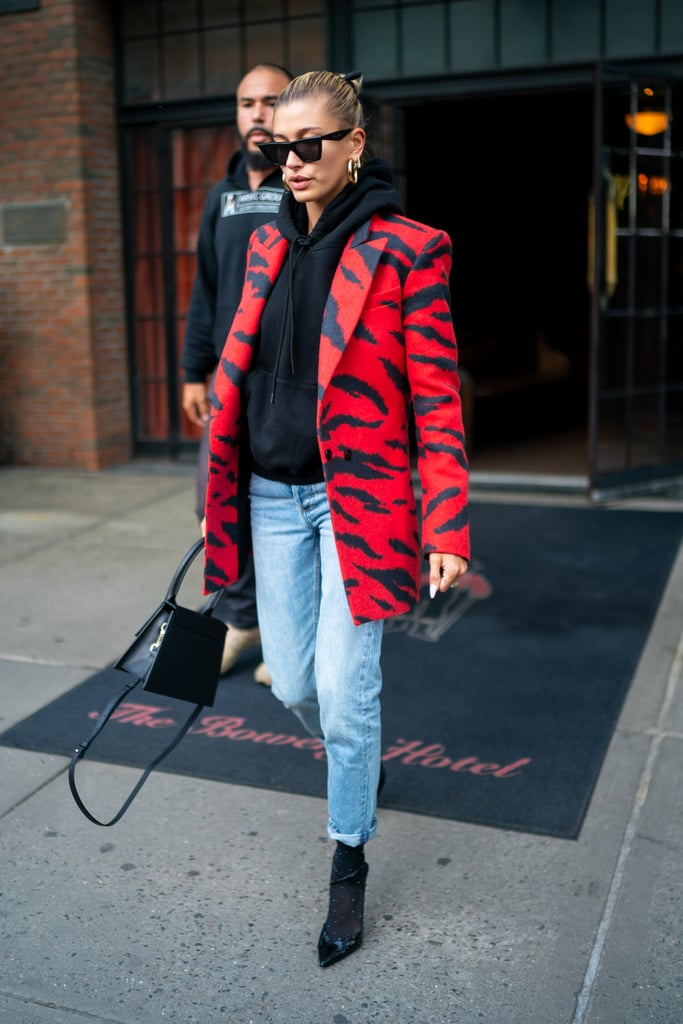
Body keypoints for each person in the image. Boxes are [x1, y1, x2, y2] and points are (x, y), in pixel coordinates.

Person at [201, 70, 470, 967]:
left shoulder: (408, 249)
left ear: (354, 144)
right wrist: (218, 494)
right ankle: (360, 759)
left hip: (359, 504)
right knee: (289, 686)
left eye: (311, 144)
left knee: (347, 701)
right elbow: (244, 383)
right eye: (279, 147)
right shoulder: (265, 245)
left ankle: (347, 862)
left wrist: (446, 526)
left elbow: (436, 402)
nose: (292, 162)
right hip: (271, 499)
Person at [181, 62, 293, 685]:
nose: (257, 112)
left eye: (271, 100)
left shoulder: (303, 187)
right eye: (247, 101)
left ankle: (283, 635)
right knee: (215, 504)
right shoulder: (221, 197)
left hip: (284, 386)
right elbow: (205, 287)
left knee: (282, 508)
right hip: (227, 386)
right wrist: (194, 369)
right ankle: (243, 620)